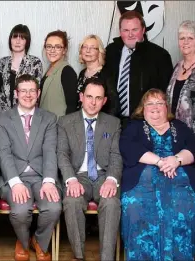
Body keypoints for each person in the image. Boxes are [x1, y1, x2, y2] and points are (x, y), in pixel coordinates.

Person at [120, 89, 195, 260]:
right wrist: (159, 161)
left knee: (183, 207)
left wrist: (176, 160)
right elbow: (128, 147)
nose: (155, 107)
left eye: (160, 103)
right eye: (150, 103)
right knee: (136, 209)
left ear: (166, 107)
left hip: (179, 183)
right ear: (143, 108)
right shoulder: (134, 127)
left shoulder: (179, 126)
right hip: (142, 185)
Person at [0, 74, 61, 261]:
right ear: (16, 94)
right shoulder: (3, 119)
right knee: (20, 211)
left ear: (38, 93)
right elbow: (4, 153)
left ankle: (39, 241)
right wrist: (15, 183)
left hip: (41, 176)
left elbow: (50, 151)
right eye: (23, 90)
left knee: (54, 207)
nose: (28, 94)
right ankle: (23, 241)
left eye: (32, 90)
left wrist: (49, 181)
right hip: (14, 176)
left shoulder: (49, 118)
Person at [58, 77, 122, 261]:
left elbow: (116, 155)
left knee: (111, 203)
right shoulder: (64, 122)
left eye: (98, 98)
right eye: (89, 96)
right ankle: (78, 256)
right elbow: (62, 154)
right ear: (81, 97)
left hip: (104, 175)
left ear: (104, 101)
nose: (93, 102)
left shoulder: (113, 123)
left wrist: (112, 179)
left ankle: (107, 257)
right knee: (71, 201)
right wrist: (71, 179)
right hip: (78, 175)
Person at [165, 20, 195, 255]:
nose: (185, 42)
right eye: (181, 37)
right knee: (182, 182)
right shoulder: (177, 68)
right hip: (178, 136)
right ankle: (182, 230)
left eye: (190, 38)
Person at [103, 10, 173, 126]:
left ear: (143, 30)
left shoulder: (160, 56)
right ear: (120, 32)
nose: (130, 34)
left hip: (144, 122)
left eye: (135, 30)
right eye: (126, 30)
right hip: (112, 121)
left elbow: (165, 94)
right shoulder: (110, 51)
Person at [0, 24, 43, 112]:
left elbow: (35, 91)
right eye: (15, 37)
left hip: (27, 113)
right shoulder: (1, 62)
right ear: (10, 40)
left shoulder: (35, 62)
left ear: (27, 42)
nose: (17, 41)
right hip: (5, 114)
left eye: (22, 38)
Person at [39, 30, 78, 117]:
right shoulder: (49, 68)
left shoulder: (67, 71)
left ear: (64, 50)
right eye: (49, 46)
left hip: (59, 125)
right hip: (46, 124)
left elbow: (72, 106)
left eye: (57, 47)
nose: (52, 50)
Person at [76, 34, 118, 115]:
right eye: (85, 47)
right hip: (80, 122)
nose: (88, 50)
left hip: (99, 123)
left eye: (92, 48)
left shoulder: (106, 74)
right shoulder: (82, 73)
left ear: (99, 52)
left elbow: (114, 105)